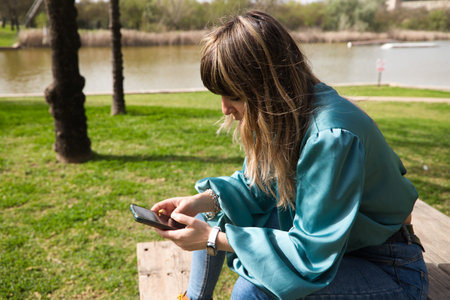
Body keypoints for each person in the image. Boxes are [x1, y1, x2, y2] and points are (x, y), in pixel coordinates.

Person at [151, 10, 428, 300]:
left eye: (233, 95)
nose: (224, 109)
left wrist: (211, 240)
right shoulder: (288, 113)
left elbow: (310, 255)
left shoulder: (331, 137)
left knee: (253, 292)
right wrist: (201, 202)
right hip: (343, 251)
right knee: (220, 211)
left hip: (389, 269)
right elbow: (258, 185)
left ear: (266, 86)